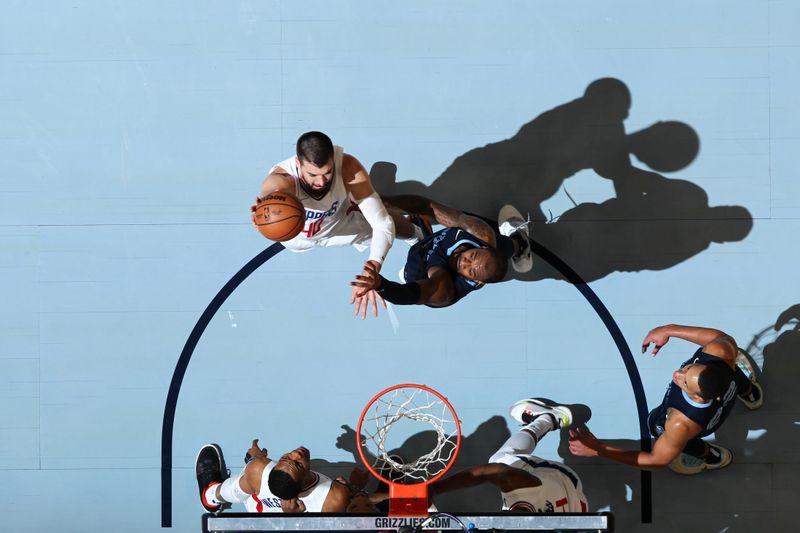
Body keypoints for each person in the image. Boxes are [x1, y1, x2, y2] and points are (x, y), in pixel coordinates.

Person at [255, 131, 426, 318]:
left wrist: (372, 269)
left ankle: (417, 234)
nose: (321, 181)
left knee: (387, 220)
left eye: (327, 172)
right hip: (299, 240)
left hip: (340, 224)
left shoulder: (348, 167)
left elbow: (381, 224)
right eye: (312, 174)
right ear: (298, 163)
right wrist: (264, 217)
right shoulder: (281, 182)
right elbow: (270, 198)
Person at [569, 324, 764, 474]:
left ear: (697, 396)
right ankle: (750, 393)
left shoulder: (679, 423)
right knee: (731, 371)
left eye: (685, 382)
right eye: (687, 369)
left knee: (667, 432)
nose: (677, 374)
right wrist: (667, 330)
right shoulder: (722, 353)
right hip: (725, 396)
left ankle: (713, 457)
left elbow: (657, 460)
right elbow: (722, 337)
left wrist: (599, 449)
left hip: (698, 427)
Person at [350, 196, 533, 308]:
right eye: (472, 256)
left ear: (475, 279)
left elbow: (407, 295)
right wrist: (379, 200)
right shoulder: (480, 234)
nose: (464, 262)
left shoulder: (444, 289)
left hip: (421, 273)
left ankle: (519, 246)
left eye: (470, 270)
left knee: (411, 269)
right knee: (500, 244)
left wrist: (380, 284)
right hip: (438, 247)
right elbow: (426, 206)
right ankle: (518, 242)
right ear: (481, 248)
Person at [430, 398, 588, 512]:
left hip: (576, 506)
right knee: (499, 460)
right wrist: (435, 489)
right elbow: (489, 471)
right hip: (561, 477)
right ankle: (549, 418)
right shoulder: (519, 487)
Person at [195, 439, 350, 513]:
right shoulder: (334, 498)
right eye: (297, 464)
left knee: (251, 472)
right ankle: (211, 496)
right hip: (260, 503)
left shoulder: (260, 470)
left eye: (287, 458)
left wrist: (256, 459)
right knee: (253, 472)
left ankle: (210, 496)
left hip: (258, 515)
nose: (296, 453)